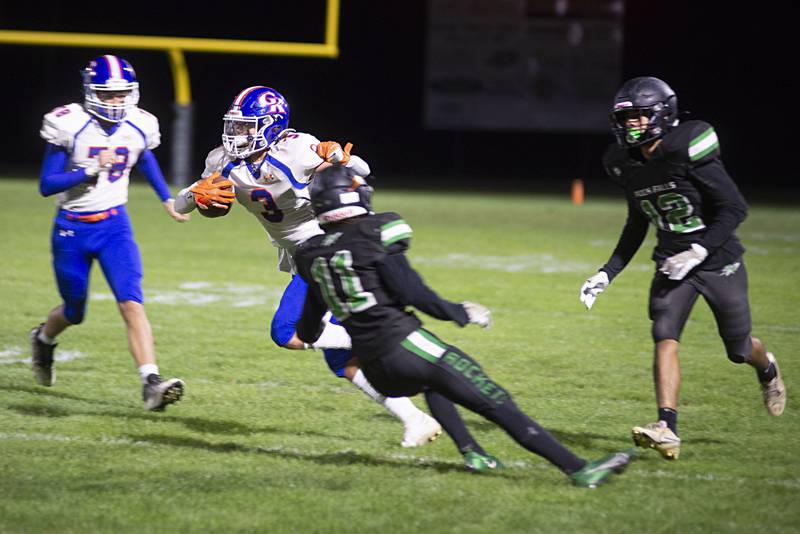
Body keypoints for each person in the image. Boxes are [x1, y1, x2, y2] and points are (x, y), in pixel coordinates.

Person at [294, 166, 634, 487]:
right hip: (405, 345)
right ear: (353, 197)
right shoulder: (375, 232)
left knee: (435, 383)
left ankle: (473, 453)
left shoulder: (311, 254)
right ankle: (579, 470)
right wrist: (459, 311)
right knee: (494, 400)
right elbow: (413, 293)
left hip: (374, 367)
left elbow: (309, 330)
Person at [174, 86, 442, 447]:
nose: (236, 135)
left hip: (331, 249)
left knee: (286, 331)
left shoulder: (296, 148)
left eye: (245, 127)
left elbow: (364, 169)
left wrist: (338, 158)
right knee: (341, 362)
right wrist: (196, 194)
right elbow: (181, 204)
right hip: (305, 255)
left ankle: (387, 340)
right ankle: (414, 418)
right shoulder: (222, 160)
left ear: (270, 126)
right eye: (234, 126)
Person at [579, 76, 786, 460]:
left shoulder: (685, 149)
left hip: (718, 260)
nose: (630, 126)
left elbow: (735, 208)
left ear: (661, 115)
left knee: (739, 349)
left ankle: (767, 368)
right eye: (625, 120)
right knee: (664, 334)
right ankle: (667, 428)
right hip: (672, 265)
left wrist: (699, 250)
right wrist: (607, 272)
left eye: (639, 118)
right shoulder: (623, 164)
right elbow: (637, 222)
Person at [32, 54, 188, 411]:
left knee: (131, 302)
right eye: (108, 94)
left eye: (121, 94)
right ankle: (43, 338)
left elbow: (144, 156)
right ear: (91, 92)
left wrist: (166, 198)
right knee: (74, 311)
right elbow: (46, 184)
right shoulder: (69, 123)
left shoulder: (139, 123)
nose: (116, 102)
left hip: (115, 225)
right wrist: (87, 171)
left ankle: (151, 383)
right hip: (71, 229)